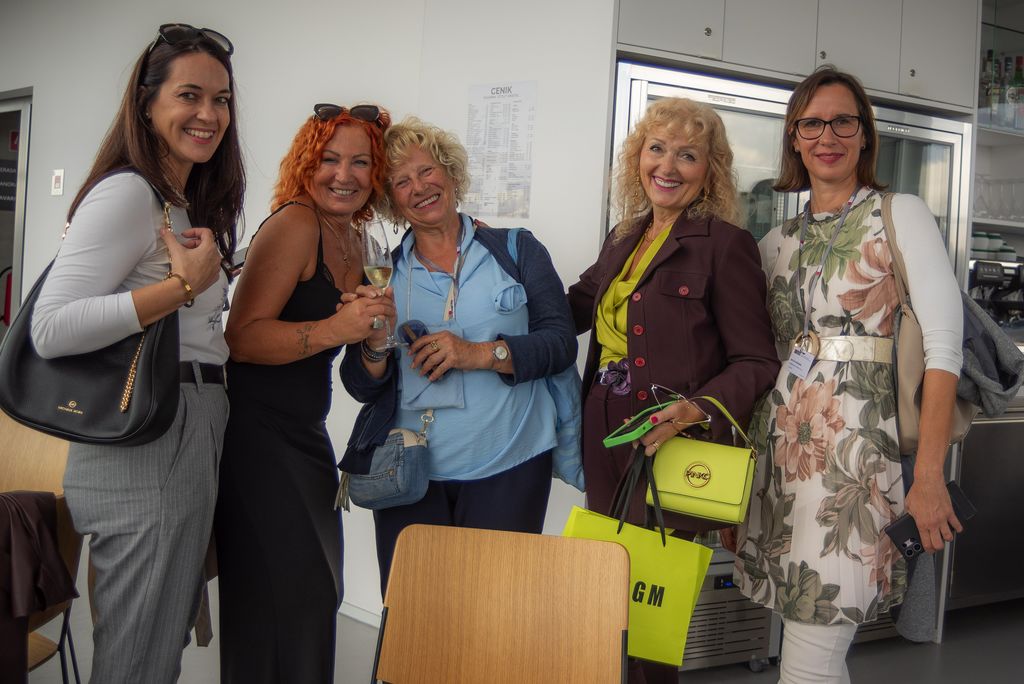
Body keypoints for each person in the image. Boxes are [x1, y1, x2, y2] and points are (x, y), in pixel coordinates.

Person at [733, 66, 964, 684]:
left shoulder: (899, 214)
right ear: (793, 138)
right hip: (779, 464)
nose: (827, 136)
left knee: (812, 653)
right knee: (811, 652)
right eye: (811, 123)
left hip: (855, 468)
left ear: (865, 134)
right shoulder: (774, 241)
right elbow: (752, 360)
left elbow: (944, 349)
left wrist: (929, 476)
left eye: (842, 121)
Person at [29, 24, 244, 683]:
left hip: (180, 428)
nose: (209, 114)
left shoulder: (175, 201)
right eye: (189, 95)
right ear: (147, 104)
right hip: (151, 435)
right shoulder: (129, 192)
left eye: (221, 99)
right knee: (139, 659)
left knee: (153, 647)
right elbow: (51, 327)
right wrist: (183, 287)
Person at [567, 97, 780, 684]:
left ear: (710, 171)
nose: (666, 166)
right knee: (605, 585)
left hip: (671, 437)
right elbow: (571, 309)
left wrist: (694, 409)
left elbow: (757, 361)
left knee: (650, 600)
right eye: (656, 149)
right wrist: (500, 266)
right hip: (604, 425)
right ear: (637, 158)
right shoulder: (625, 236)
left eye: (687, 155)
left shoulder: (725, 244)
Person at [339, 117, 577, 591]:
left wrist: (478, 353)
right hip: (410, 475)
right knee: (416, 616)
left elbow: (559, 343)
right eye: (401, 182)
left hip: (510, 467)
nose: (419, 187)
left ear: (450, 173)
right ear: (390, 200)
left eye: (427, 170)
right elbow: (359, 384)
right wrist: (373, 344)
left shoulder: (517, 249)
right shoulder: (382, 273)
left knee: (495, 616)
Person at [215, 104, 395, 683]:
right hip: (255, 436)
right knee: (282, 598)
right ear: (306, 164)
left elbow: (357, 374)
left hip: (306, 432)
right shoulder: (294, 224)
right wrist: (334, 329)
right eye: (329, 160)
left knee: (315, 592)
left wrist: (375, 341)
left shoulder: (356, 237)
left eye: (360, 162)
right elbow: (240, 340)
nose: (344, 175)